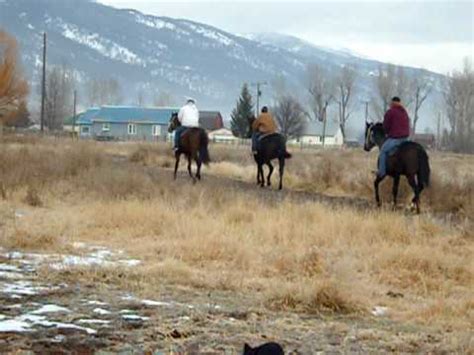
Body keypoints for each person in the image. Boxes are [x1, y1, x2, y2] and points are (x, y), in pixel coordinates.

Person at [378, 96, 410, 178]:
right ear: (399, 103)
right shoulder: (404, 112)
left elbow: (386, 126)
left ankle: (382, 172)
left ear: (392, 103)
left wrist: (386, 132)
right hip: (406, 138)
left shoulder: (390, 112)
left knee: (383, 151)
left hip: (396, 138)